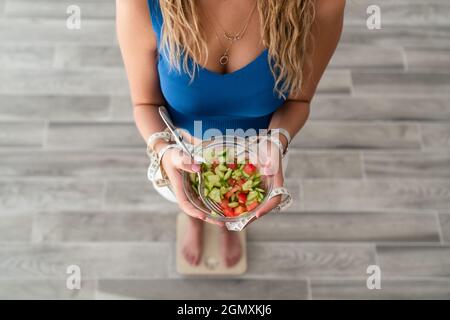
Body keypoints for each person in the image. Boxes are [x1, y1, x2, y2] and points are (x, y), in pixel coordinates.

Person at [116, 0, 346, 267]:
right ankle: (196, 223)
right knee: (192, 203)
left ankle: (231, 228)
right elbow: (145, 104)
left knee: (237, 211)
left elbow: (299, 101)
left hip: (262, 161)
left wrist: (276, 141)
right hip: (180, 158)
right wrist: (165, 151)